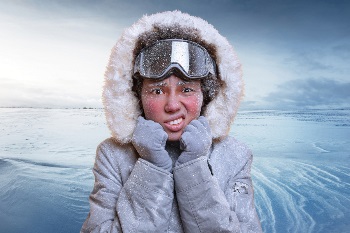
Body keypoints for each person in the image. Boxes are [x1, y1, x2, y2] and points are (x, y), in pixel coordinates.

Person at [81, 10, 262, 233]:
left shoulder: (235, 155)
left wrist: (194, 166)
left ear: (207, 95)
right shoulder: (113, 155)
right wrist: (152, 166)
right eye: (157, 91)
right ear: (137, 97)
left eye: (187, 89)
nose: (173, 105)